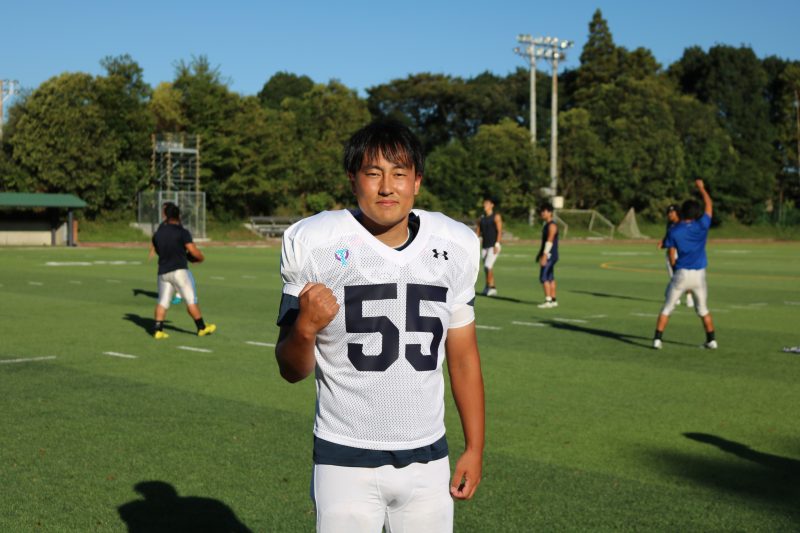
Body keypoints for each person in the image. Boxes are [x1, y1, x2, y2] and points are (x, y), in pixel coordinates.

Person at [274, 119, 485, 533]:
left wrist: (475, 447)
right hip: (344, 456)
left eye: (399, 174)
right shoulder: (315, 243)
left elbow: (463, 359)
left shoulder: (454, 244)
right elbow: (290, 370)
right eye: (373, 173)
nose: (387, 187)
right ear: (353, 179)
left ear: (417, 181)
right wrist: (305, 329)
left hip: (428, 456)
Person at [653, 179, 717, 350]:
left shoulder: (674, 231)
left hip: (681, 273)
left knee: (667, 307)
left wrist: (674, 268)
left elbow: (670, 252)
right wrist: (702, 188)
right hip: (699, 275)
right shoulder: (702, 225)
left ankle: (657, 340)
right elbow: (709, 204)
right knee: (703, 310)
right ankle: (711, 340)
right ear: (697, 213)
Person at [151, 203, 216, 340]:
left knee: (162, 302)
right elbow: (193, 251)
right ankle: (202, 328)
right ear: (178, 215)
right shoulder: (182, 232)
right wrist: (200, 258)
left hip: (163, 272)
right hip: (179, 271)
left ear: (165, 215)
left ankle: (158, 330)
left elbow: (157, 250)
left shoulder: (158, 233)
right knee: (191, 300)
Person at [658, 204, 694, 308]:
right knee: (674, 276)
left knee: (685, 276)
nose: (669, 214)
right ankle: (675, 297)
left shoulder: (683, 224)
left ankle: (689, 297)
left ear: (677, 213)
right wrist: (663, 242)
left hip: (682, 253)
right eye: (668, 212)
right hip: (671, 253)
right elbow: (668, 237)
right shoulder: (670, 225)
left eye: (671, 212)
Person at [149, 202, 182, 306]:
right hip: (165, 255)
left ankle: (179, 295)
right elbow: (157, 238)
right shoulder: (163, 224)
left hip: (175, 255)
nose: (162, 212)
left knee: (176, 275)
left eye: (164, 209)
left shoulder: (176, 223)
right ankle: (169, 293)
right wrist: (153, 249)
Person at [475, 197, 503, 296]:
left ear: (492, 205)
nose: (485, 205)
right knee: (486, 268)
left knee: (488, 266)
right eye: (484, 203)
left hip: (493, 246)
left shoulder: (496, 216)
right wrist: (476, 241)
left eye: (487, 203)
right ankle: (488, 286)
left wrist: (497, 244)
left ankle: (492, 287)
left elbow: (499, 231)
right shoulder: (481, 217)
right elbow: (478, 231)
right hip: (485, 246)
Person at [536, 202, 559, 309]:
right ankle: (553, 300)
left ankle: (548, 300)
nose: (542, 213)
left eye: (544, 211)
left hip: (550, 254)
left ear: (550, 213)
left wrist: (544, 255)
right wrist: (539, 254)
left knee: (543, 277)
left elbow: (549, 241)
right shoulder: (546, 225)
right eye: (541, 211)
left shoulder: (552, 226)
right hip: (549, 254)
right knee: (550, 277)